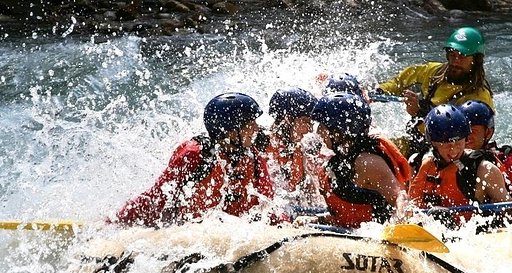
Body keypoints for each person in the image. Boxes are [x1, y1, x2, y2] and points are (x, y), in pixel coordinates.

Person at [114, 92, 276, 227]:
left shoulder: (252, 157)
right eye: (250, 124)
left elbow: (267, 204)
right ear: (231, 131)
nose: (256, 128)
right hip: (179, 230)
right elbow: (156, 197)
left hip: (227, 230)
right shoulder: (195, 154)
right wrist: (114, 223)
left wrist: (285, 224)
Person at [377, 27, 494, 167]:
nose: (455, 61)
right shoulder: (435, 72)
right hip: (417, 140)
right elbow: (402, 80)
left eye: (462, 56)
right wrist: (380, 91)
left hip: (446, 155)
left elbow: (466, 142)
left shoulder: (479, 98)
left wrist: (419, 112)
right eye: (452, 54)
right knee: (378, 150)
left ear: (476, 60)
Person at [305, 92, 412, 228]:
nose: (318, 131)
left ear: (339, 132)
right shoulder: (339, 160)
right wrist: (318, 220)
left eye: (323, 126)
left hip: (374, 238)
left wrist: (398, 226)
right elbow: (347, 217)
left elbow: (401, 197)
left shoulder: (367, 162)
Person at [408, 104, 510, 228]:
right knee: (436, 214)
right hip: (429, 229)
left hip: (471, 233)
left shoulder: (484, 170)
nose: (453, 151)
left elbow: (510, 209)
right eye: (447, 145)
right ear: (433, 142)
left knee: (440, 214)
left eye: (459, 143)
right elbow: (409, 206)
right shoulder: (417, 163)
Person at [458, 100, 512, 200]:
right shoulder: (447, 159)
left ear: (488, 132)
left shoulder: (511, 164)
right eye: (462, 130)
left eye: (472, 131)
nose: (465, 137)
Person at [266, 87, 318, 198]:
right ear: (288, 120)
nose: (311, 130)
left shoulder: (297, 147)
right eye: (306, 121)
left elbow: (309, 190)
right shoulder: (263, 148)